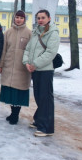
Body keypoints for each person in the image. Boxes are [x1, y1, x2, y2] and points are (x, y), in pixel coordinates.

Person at [23, 9, 60, 137]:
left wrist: (35, 64)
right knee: (39, 96)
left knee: (46, 98)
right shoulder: (35, 32)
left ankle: (46, 128)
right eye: (38, 18)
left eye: (43, 17)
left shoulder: (52, 33)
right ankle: (39, 120)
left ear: (49, 18)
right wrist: (26, 62)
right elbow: (28, 49)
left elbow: (50, 52)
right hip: (35, 70)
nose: (40, 20)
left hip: (45, 70)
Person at [0, 10, 32, 125]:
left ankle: (15, 115)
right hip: (9, 66)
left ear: (24, 19)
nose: (18, 19)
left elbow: (31, 51)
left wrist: (30, 64)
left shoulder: (29, 33)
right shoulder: (8, 32)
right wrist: (1, 64)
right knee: (11, 92)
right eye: (17, 17)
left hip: (22, 68)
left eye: (21, 18)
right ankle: (13, 113)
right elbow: (3, 49)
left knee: (19, 93)